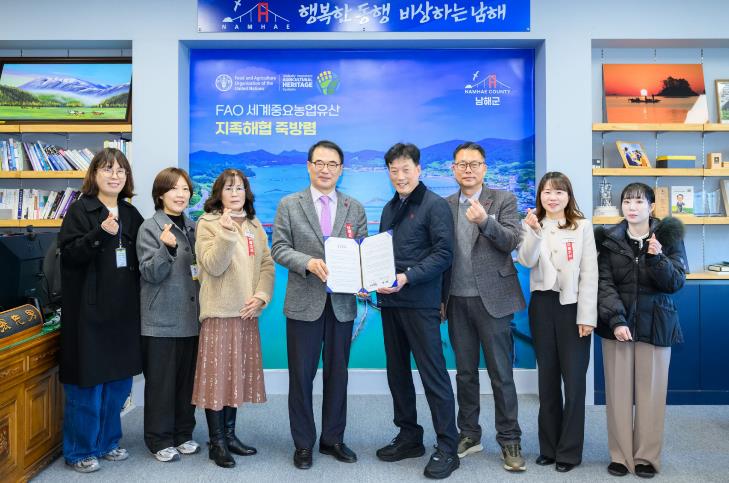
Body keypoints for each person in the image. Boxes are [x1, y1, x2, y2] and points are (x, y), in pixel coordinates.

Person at [271, 140, 367, 470]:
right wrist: (308, 263)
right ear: (309, 166)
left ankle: (333, 439)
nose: (326, 170)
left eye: (332, 164)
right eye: (320, 163)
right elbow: (279, 248)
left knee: (338, 375)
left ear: (341, 169)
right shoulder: (289, 204)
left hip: (341, 305)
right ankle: (303, 443)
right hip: (304, 302)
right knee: (301, 377)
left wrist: (365, 276)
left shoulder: (355, 207)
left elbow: (362, 251)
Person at [375, 142, 459, 480]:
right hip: (390, 302)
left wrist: (407, 276)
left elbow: (444, 254)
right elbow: (381, 254)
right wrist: (372, 279)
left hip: (421, 302)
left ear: (418, 170)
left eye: (405, 169)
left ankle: (448, 447)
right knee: (397, 373)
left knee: (433, 375)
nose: (400, 176)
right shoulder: (389, 207)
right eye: (393, 170)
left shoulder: (435, 205)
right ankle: (409, 436)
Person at [441, 142, 527, 472]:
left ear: (484, 168)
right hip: (456, 300)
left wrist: (484, 222)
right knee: (465, 374)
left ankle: (510, 439)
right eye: (461, 164)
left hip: (495, 299)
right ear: (453, 169)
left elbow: (511, 241)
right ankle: (469, 434)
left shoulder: (503, 200)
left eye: (474, 164)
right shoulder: (445, 205)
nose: (468, 169)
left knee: (501, 374)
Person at [58, 148, 144, 473]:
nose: (114, 175)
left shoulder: (131, 213)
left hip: (123, 313)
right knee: (88, 385)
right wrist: (100, 233)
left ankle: (108, 442)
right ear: (94, 174)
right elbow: (69, 256)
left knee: (118, 385)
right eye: (107, 169)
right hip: (88, 314)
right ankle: (80, 450)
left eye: (121, 170)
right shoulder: (80, 210)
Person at [595, 182, 687, 479]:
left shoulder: (669, 237)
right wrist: (617, 320)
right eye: (627, 202)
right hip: (617, 325)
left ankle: (647, 456)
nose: (632, 207)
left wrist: (657, 258)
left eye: (638, 202)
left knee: (651, 394)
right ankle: (620, 456)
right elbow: (603, 283)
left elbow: (675, 283)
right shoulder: (607, 238)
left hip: (656, 324)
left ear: (651, 207)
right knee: (618, 393)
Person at [191, 169, 274, 468]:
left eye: (240, 188)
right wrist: (227, 233)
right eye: (229, 188)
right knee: (217, 378)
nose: (235, 193)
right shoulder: (208, 223)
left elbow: (267, 264)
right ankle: (216, 443)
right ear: (219, 194)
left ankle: (230, 435)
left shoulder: (254, 224)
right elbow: (212, 266)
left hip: (247, 313)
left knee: (235, 376)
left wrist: (261, 296)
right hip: (219, 312)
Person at [517, 172, 598, 472]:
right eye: (547, 192)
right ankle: (548, 448)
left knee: (574, 383)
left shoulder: (582, 226)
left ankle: (569, 452)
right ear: (540, 196)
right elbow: (526, 260)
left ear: (568, 196)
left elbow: (590, 273)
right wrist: (533, 232)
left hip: (573, 307)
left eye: (559, 192)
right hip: (542, 306)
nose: (552, 197)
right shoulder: (532, 224)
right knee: (547, 380)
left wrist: (587, 316)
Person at [137, 167, 200, 462]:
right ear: (160, 194)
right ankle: (159, 439)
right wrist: (166, 248)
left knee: (187, 383)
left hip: (191, 318)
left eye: (185, 189)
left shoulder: (193, 227)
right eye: (174, 188)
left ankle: (183, 433)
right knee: (161, 384)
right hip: (160, 319)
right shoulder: (150, 228)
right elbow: (150, 272)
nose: (180, 194)